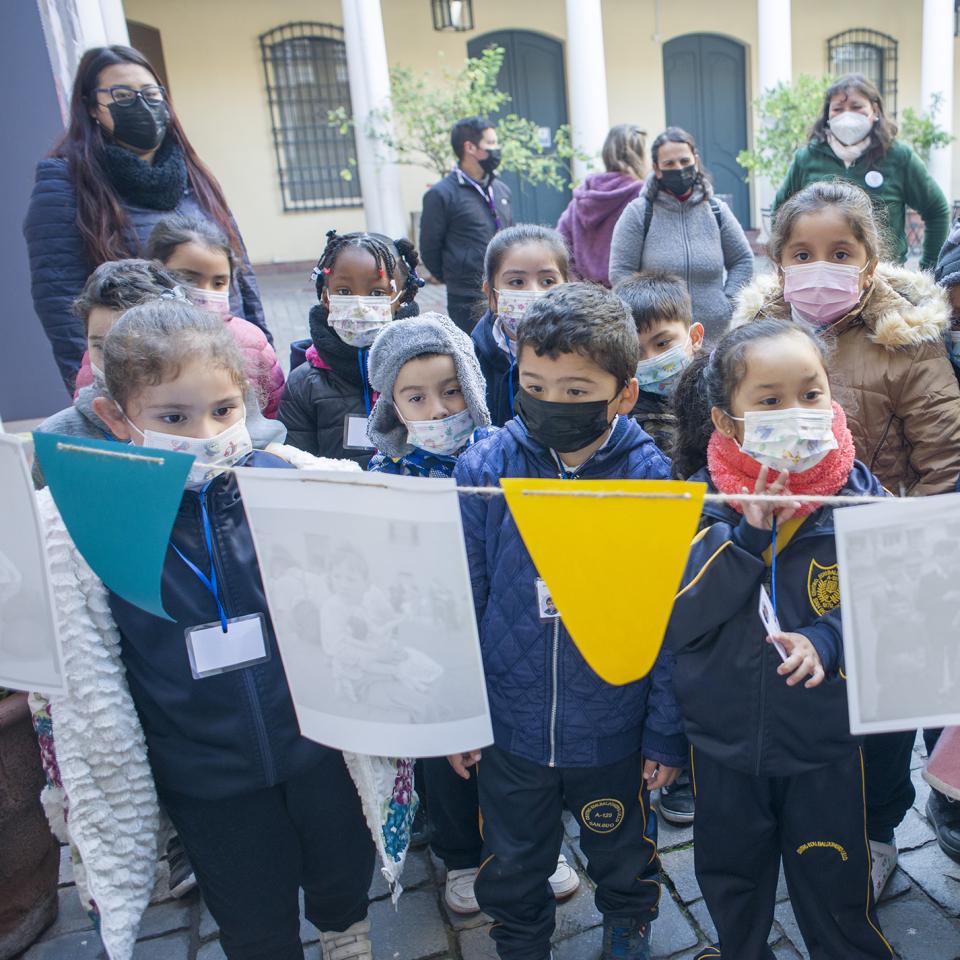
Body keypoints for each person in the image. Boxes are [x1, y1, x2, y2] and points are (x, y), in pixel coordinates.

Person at [86, 300, 376, 960]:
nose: (207, 432)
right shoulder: (105, 528)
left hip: (315, 749)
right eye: (173, 417)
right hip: (206, 775)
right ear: (117, 419)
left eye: (222, 411)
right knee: (250, 907)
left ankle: (344, 929)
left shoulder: (286, 487)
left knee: (340, 860)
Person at [732, 177, 960, 898]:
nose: (819, 266)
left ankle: (878, 830)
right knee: (805, 691)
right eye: (802, 252)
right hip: (783, 554)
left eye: (839, 251)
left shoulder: (907, 342)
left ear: (868, 259)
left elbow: (945, 461)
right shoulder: (753, 338)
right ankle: (806, 817)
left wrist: (905, 550)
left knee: (882, 708)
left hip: (886, 554)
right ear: (776, 259)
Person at [453, 284, 686, 960]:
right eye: (535, 384)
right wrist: (462, 714)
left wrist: (664, 733)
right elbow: (463, 600)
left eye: (576, 388)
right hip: (510, 727)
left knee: (619, 844)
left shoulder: (654, 484)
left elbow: (669, 621)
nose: (552, 402)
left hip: (611, 726)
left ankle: (628, 917)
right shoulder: (483, 469)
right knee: (514, 853)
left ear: (623, 394)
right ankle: (521, 937)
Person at [668, 318, 893, 960]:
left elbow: (887, 599)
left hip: (824, 740)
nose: (796, 413)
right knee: (732, 879)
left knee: (835, 880)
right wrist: (744, 541)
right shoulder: (699, 504)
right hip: (721, 744)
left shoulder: (855, 496)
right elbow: (677, 620)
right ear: (725, 421)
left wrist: (826, 640)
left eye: (811, 393)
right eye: (769, 401)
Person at [365, 311, 579, 914]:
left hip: (506, 630)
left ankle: (538, 845)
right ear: (393, 406)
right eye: (417, 397)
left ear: (474, 387)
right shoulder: (385, 476)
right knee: (446, 756)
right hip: (430, 639)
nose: (438, 408)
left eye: (451, 389)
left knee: (521, 752)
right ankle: (461, 858)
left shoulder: (506, 455)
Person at [23, 45, 268, 393]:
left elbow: (241, 279)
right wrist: (93, 390)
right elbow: (61, 302)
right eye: (122, 95)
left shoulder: (192, 174)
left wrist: (262, 353)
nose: (141, 105)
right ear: (92, 106)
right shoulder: (66, 182)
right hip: (143, 381)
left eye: (151, 94)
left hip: (223, 367)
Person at [32, 259, 285, 489]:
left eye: (143, 349)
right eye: (103, 346)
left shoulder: (237, 418)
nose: (119, 361)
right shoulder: (58, 438)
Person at [774, 74, 950, 273]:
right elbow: (779, 213)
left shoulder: (899, 157)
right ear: (828, 116)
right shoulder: (807, 158)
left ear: (874, 111)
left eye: (856, 107)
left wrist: (930, 271)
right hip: (818, 277)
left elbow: (937, 210)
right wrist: (788, 268)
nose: (847, 116)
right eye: (838, 109)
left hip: (885, 279)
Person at [279, 230, 423, 465]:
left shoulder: (425, 373)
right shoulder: (303, 384)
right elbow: (296, 466)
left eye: (377, 293)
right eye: (344, 292)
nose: (359, 306)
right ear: (326, 297)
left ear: (401, 298)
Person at [608, 127, 754, 340]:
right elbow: (620, 271)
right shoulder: (639, 213)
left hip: (714, 336)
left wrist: (728, 303)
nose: (679, 169)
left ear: (695, 160)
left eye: (684, 161)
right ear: (657, 169)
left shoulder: (717, 210)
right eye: (669, 164)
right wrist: (646, 313)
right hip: (660, 339)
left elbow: (743, 260)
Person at [145, 215, 285, 418]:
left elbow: (273, 416)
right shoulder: (133, 342)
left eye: (218, 283)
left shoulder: (251, 342)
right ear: (155, 274)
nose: (205, 291)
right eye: (188, 279)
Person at [420, 116, 514, 332]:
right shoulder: (441, 194)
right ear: (470, 147)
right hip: (466, 298)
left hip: (504, 292)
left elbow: (511, 237)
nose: (496, 149)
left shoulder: (501, 190)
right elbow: (429, 248)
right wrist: (455, 278)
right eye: (490, 143)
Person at [471, 225, 571, 427]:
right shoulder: (471, 358)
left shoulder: (584, 351)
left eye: (548, 281)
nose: (534, 292)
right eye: (517, 281)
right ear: (491, 294)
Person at [614, 271, 705, 456]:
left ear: (695, 337)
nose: (650, 358)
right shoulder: (620, 412)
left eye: (662, 343)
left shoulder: (718, 395)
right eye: (636, 351)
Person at [556, 124, 647, 286]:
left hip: (585, 298)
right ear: (640, 155)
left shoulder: (582, 197)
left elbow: (559, 245)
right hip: (630, 296)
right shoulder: (641, 195)